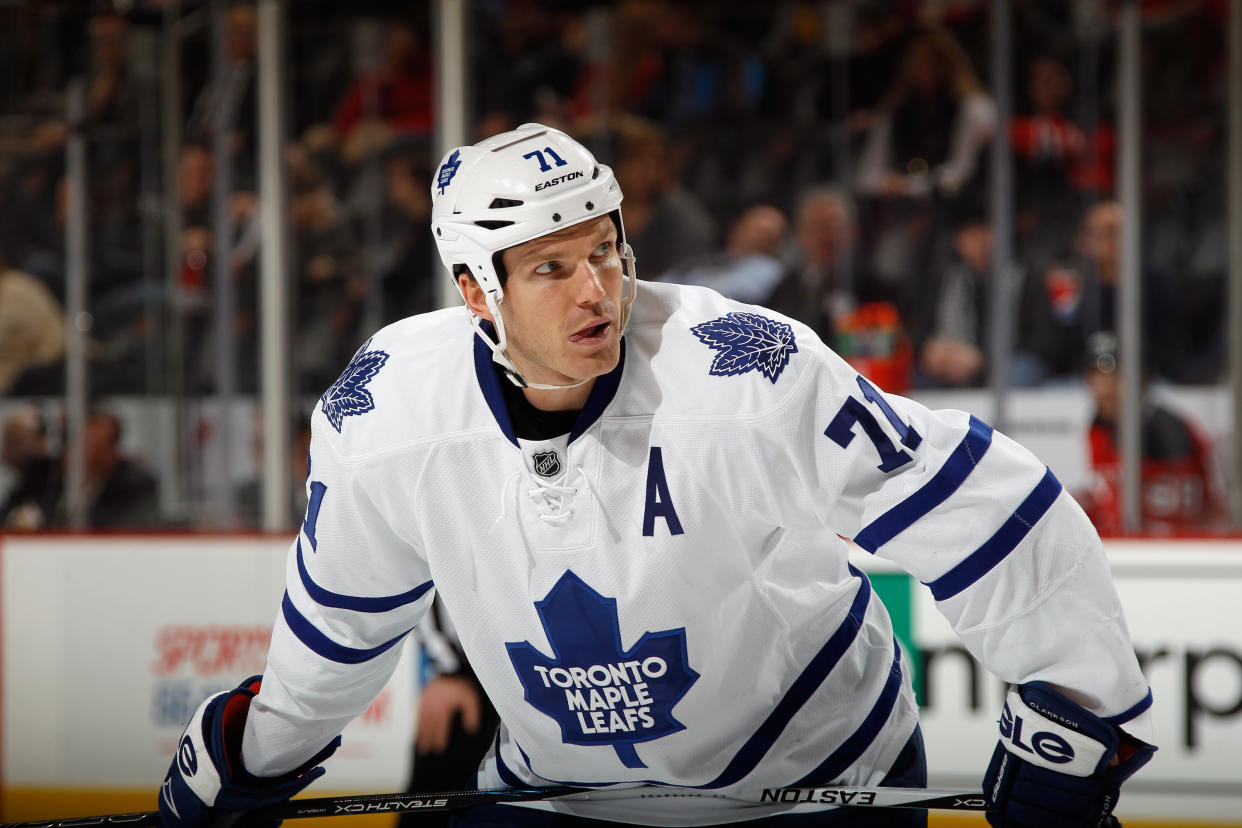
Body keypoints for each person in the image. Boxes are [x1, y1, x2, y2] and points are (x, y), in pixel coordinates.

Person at [159, 123, 1154, 828]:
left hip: (816, 780)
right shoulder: (386, 414)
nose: (597, 291)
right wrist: (259, 749)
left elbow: (991, 510)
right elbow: (340, 623)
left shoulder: (742, 369)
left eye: (606, 249)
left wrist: (1077, 710)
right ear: (474, 290)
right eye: (551, 269)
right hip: (555, 789)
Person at [1078, 331, 1226, 537]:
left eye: (1114, 377)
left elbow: (1182, 520)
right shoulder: (1098, 427)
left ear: (1141, 378)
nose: (1104, 389)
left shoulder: (1168, 431)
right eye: (1096, 378)